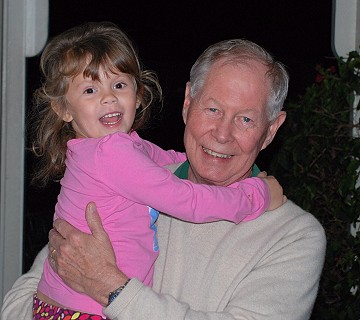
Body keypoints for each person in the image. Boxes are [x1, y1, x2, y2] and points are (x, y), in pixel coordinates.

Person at [1, 38, 326, 320]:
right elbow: (23, 299)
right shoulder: (129, 180)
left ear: (270, 130)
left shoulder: (294, 236)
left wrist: (111, 288)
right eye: (212, 110)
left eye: (245, 119)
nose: (222, 134)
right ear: (187, 104)